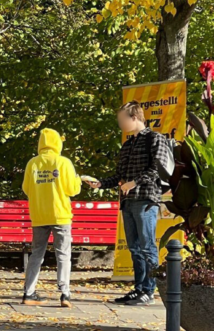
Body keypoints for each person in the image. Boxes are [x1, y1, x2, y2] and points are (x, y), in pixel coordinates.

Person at [85, 102, 172, 307]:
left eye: (122, 119)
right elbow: (120, 176)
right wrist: (100, 184)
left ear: (134, 117)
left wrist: (135, 182)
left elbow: (158, 169)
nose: (120, 124)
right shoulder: (127, 144)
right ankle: (139, 288)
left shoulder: (155, 139)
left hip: (146, 199)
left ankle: (149, 290)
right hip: (128, 202)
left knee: (147, 246)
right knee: (134, 248)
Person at [21, 128, 82, 307]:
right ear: (58, 143)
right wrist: (78, 179)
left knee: (36, 254)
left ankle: (28, 293)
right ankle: (65, 294)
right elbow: (73, 190)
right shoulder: (63, 162)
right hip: (60, 215)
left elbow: (26, 188)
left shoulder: (32, 163)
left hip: (39, 215)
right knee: (63, 254)